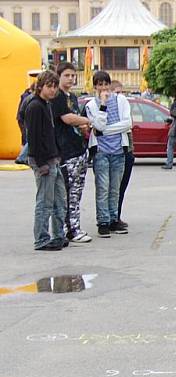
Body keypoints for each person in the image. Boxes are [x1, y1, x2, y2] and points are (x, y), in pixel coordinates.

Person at [83, 70, 132, 238]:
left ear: (110, 85)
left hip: (119, 150)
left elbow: (127, 124)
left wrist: (104, 131)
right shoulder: (91, 105)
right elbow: (98, 125)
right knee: (102, 188)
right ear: (95, 86)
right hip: (101, 152)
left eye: (106, 84)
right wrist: (103, 105)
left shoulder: (121, 100)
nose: (103, 88)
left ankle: (113, 219)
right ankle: (103, 222)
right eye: (100, 84)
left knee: (115, 188)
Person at [25, 70, 67, 251]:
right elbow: (33, 138)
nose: (52, 90)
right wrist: (41, 163)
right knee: (45, 201)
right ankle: (41, 238)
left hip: (53, 158)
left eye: (54, 87)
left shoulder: (46, 104)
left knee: (60, 200)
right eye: (49, 86)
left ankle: (59, 234)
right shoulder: (35, 106)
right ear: (40, 86)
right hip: (43, 160)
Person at [52, 62, 93, 243]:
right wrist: (86, 119)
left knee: (77, 192)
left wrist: (84, 127)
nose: (70, 78)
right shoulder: (58, 97)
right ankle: (67, 229)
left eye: (72, 75)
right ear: (59, 76)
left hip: (79, 149)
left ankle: (74, 227)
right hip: (66, 152)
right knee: (68, 193)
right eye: (66, 75)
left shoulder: (73, 97)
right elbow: (67, 118)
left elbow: (76, 120)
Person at [111, 80, 134, 227]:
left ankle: (117, 215)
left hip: (127, 148)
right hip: (113, 150)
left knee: (122, 185)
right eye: (117, 93)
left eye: (121, 93)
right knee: (113, 187)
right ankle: (110, 217)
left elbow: (128, 125)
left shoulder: (124, 106)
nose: (120, 96)